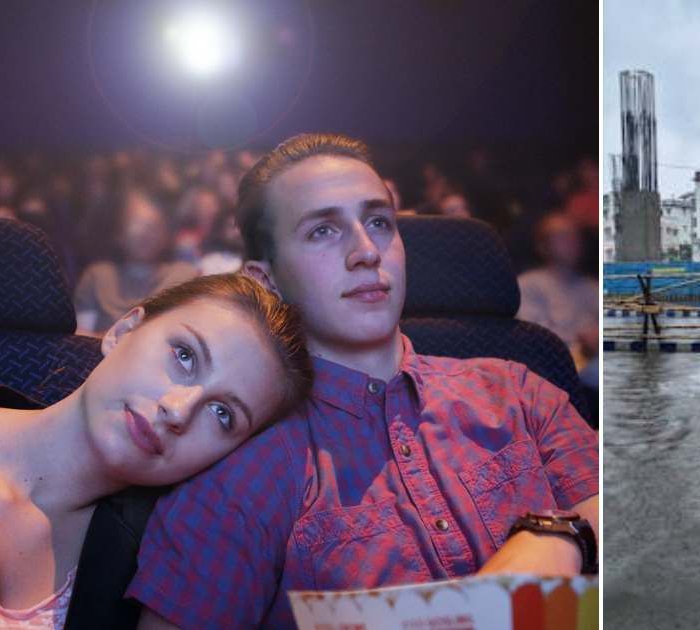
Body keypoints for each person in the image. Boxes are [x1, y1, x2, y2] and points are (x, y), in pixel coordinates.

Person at [131, 133, 599, 629]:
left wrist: (554, 536)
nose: (366, 251)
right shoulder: (239, 475)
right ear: (266, 280)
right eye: (322, 232)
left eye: (378, 222)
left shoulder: (518, 392)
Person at [0, 273, 312, 629]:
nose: (178, 410)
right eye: (184, 355)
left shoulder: (147, 569)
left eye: (222, 414)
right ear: (122, 331)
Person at [74, 189, 198, 337]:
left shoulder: (184, 276)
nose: (145, 233)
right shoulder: (98, 275)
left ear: (166, 235)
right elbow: (80, 336)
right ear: (119, 233)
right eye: (137, 224)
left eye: (154, 226)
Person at [516, 212, 600, 370]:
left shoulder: (592, 287)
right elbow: (535, 341)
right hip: (551, 367)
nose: (571, 242)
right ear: (542, 246)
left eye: (575, 237)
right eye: (562, 237)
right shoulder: (527, 284)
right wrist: (584, 345)